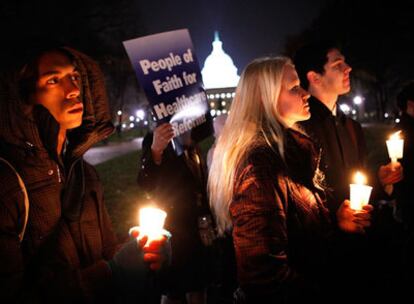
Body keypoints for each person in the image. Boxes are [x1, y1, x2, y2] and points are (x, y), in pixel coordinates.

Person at [0, 43, 169, 303]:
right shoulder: (7, 184)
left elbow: (104, 252)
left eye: (75, 77)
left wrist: (142, 253)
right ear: (23, 93)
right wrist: (110, 273)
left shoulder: (85, 174)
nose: (74, 90)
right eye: (54, 80)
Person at [208, 56, 372, 303]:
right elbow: (263, 274)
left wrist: (333, 222)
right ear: (265, 98)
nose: (305, 94)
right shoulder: (260, 165)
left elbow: (296, 230)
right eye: (294, 88)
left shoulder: (288, 153)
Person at [293, 40, 404, 301]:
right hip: (323, 258)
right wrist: (334, 220)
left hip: (360, 250)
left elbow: (359, 182)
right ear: (314, 77)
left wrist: (381, 180)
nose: (348, 68)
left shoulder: (352, 127)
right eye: (338, 64)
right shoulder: (300, 130)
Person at [138, 124, 213, 304]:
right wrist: (156, 151)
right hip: (174, 229)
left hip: (198, 228)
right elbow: (145, 183)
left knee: (199, 284)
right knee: (173, 289)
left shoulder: (193, 139)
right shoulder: (155, 139)